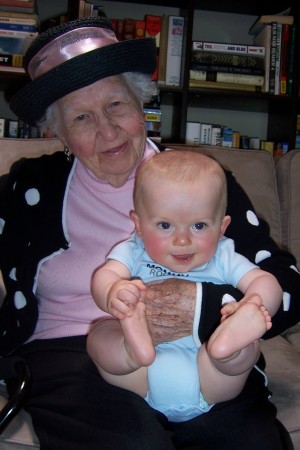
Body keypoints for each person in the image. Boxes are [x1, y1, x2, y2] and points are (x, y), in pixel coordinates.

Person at [0, 14, 299, 450]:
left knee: (248, 442)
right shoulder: (32, 185)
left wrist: (206, 305)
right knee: (132, 442)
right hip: (70, 349)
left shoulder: (201, 184)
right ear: (59, 131)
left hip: (199, 345)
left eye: (116, 105)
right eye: (81, 117)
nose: (107, 131)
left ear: (142, 103)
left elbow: (286, 286)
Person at [87, 150, 282, 423]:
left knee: (245, 351)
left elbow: (266, 281)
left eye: (199, 225)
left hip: (209, 375)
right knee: (100, 334)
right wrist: (113, 292)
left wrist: (252, 304)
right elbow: (105, 276)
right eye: (165, 225)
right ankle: (131, 351)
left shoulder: (223, 256)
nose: (182, 241)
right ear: (139, 226)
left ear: (222, 227)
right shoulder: (133, 250)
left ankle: (227, 349)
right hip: (139, 376)